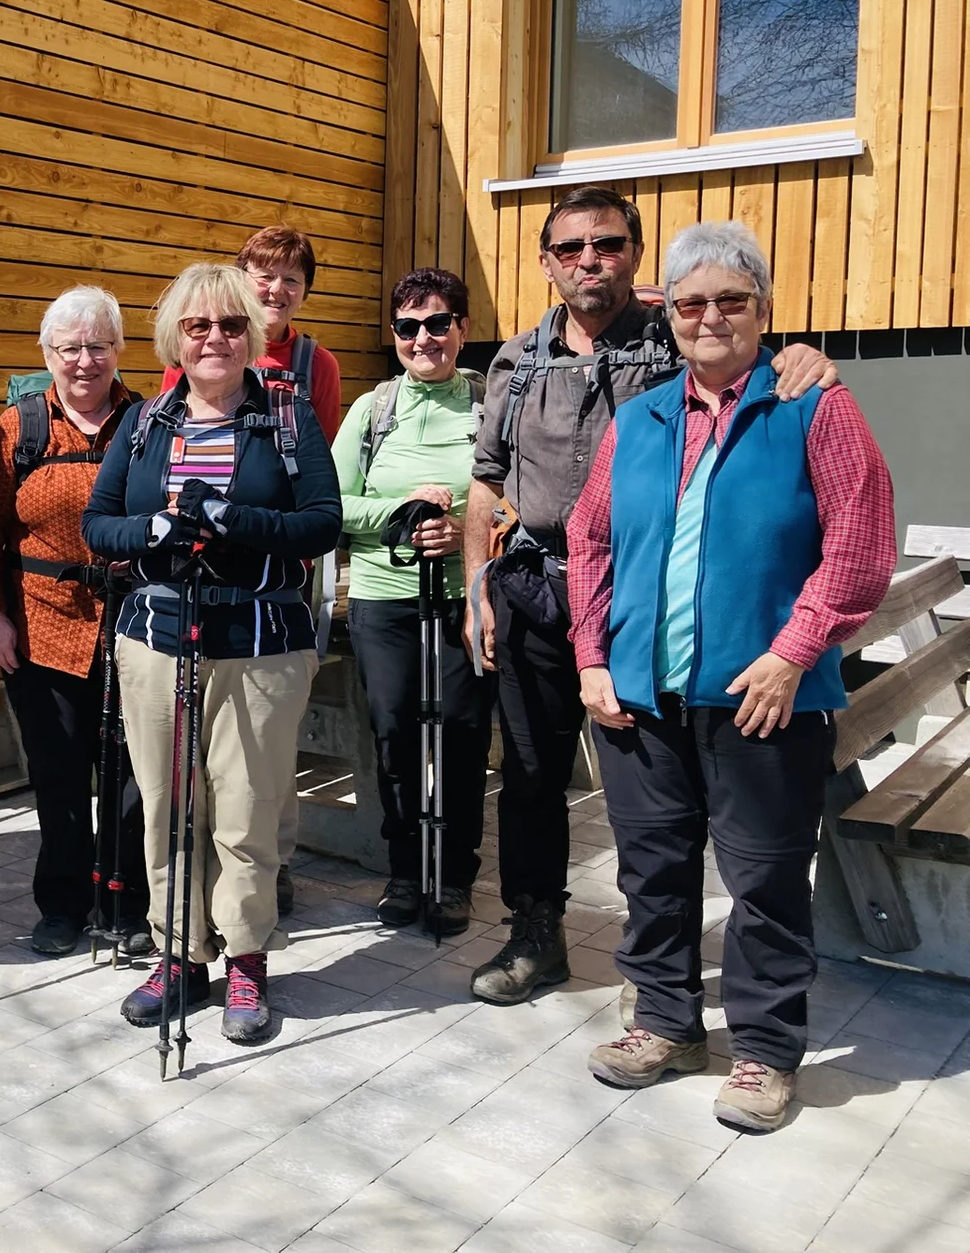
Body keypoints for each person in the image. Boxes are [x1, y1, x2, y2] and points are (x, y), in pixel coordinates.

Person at [462, 186, 837, 1007]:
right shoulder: (516, 362)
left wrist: (802, 356)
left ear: (634, 253)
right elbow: (487, 481)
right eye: (570, 248)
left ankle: (662, 966)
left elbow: (746, 362)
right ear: (546, 262)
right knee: (531, 776)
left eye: (607, 244)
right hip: (533, 586)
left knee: (655, 795)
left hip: (643, 599)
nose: (589, 261)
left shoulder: (679, 334)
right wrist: (474, 588)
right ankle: (536, 932)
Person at [567, 222, 893, 1133]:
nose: (709, 317)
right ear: (668, 313)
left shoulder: (814, 407)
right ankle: (666, 1023)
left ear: (763, 309)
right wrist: (591, 656)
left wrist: (794, 652)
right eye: (691, 303)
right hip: (640, 699)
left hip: (764, 700)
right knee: (652, 873)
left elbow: (860, 544)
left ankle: (764, 1049)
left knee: (766, 882)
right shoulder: (640, 420)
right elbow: (590, 542)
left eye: (730, 300)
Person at [86, 263, 341, 1044]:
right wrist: (156, 530)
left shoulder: (285, 417)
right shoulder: (145, 422)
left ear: (251, 333)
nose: (215, 339)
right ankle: (177, 953)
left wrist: (231, 519)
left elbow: (322, 522)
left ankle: (245, 957)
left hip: (259, 643)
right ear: (176, 336)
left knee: (247, 809)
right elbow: (99, 524)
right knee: (167, 806)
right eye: (198, 326)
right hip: (157, 640)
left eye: (231, 325)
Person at [159, 225, 343, 917]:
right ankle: (204, 872)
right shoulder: (198, 347)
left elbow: (314, 472)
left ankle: (273, 862)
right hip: (196, 574)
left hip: (278, 574)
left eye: (292, 279)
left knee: (266, 737)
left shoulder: (315, 364)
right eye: (264, 275)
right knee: (201, 738)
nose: (277, 289)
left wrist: (254, 524)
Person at [0, 286, 150, 957]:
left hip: (133, 625)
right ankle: (62, 904)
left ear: (119, 350)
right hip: (41, 627)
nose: (84, 361)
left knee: (132, 777)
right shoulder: (19, 429)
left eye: (98, 346)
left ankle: (126, 901)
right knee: (58, 774)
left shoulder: (148, 422)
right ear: (47, 355)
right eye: (69, 348)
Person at [331, 268, 494, 936]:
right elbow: (331, 504)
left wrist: (466, 529)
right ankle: (404, 870)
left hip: (463, 599)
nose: (422, 337)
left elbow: (516, 500)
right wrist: (402, 512)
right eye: (407, 326)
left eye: (437, 323)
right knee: (395, 734)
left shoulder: (489, 405)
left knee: (460, 737)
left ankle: (453, 877)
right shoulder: (371, 411)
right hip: (383, 600)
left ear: (462, 329)